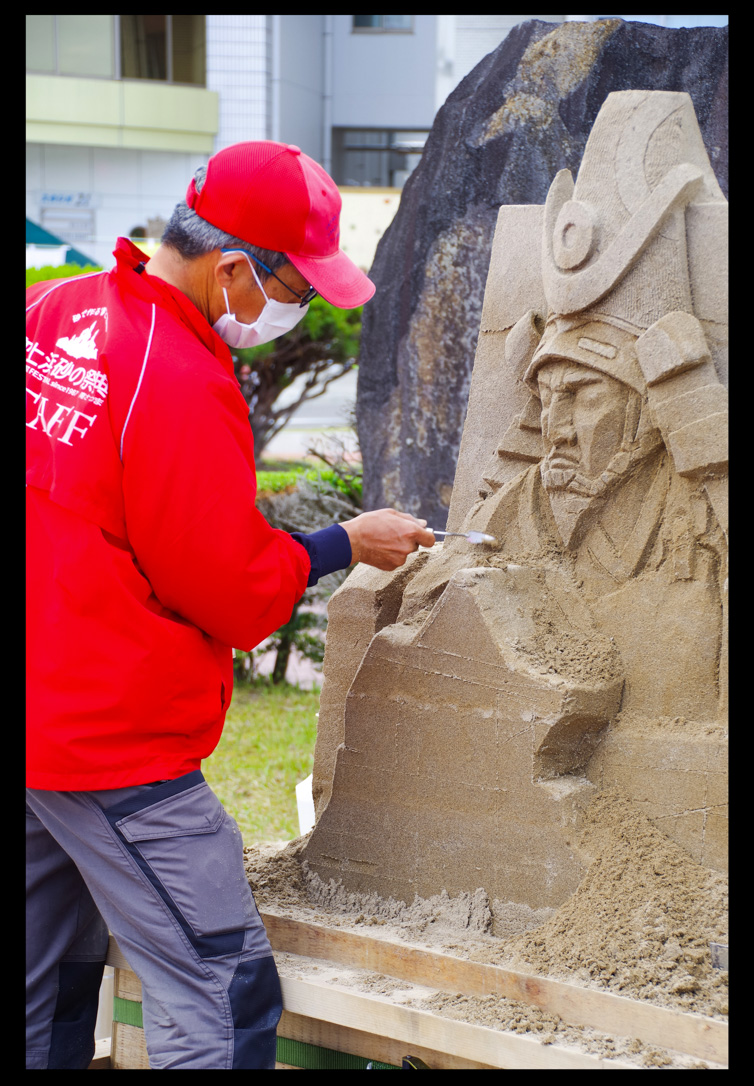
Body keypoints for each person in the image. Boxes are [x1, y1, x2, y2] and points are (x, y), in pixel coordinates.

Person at [26, 140, 435, 1070]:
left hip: (36, 713)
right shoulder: (176, 376)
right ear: (236, 269)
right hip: (108, 740)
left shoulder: (50, 310)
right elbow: (232, 590)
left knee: (45, 978)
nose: (294, 312)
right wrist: (343, 542)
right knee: (221, 987)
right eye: (296, 291)